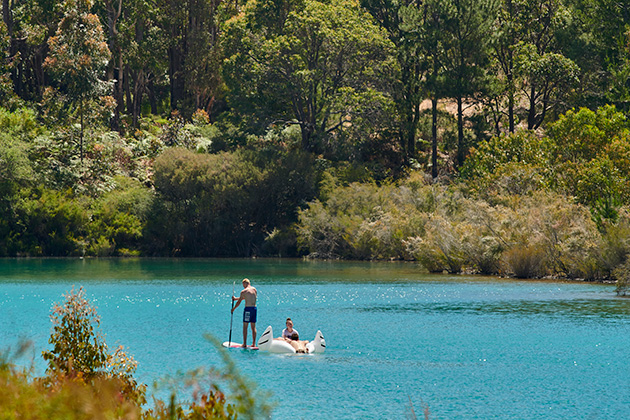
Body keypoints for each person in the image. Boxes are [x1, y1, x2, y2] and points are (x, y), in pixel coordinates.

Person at [232, 278, 257, 347]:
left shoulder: (243, 291)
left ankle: (244, 344)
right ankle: (254, 343)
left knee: (245, 326)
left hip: (248, 309)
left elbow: (239, 302)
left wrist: (233, 309)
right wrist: (236, 298)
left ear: (245, 283)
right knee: (253, 326)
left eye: (243, 285)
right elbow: (246, 297)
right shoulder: (254, 290)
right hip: (254, 309)